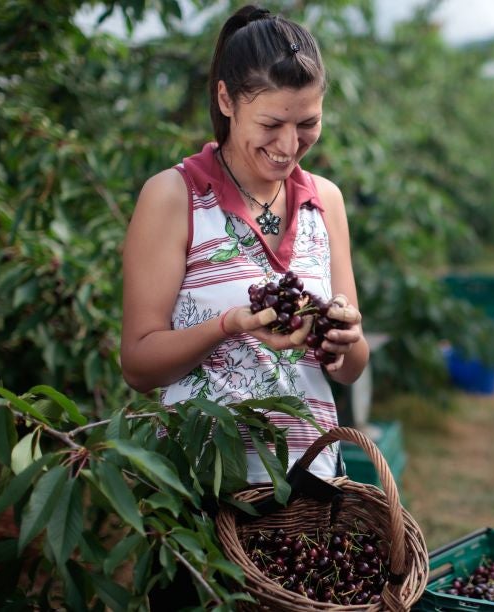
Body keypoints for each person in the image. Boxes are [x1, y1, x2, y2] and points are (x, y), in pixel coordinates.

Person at [121, 4, 368, 484]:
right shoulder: (175, 197)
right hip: (203, 483)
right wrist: (230, 324)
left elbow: (351, 369)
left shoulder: (326, 202)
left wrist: (344, 338)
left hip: (309, 482)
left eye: (308, 124)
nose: (290, 144)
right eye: (272, 124)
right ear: (227, 100)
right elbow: (138, 364)